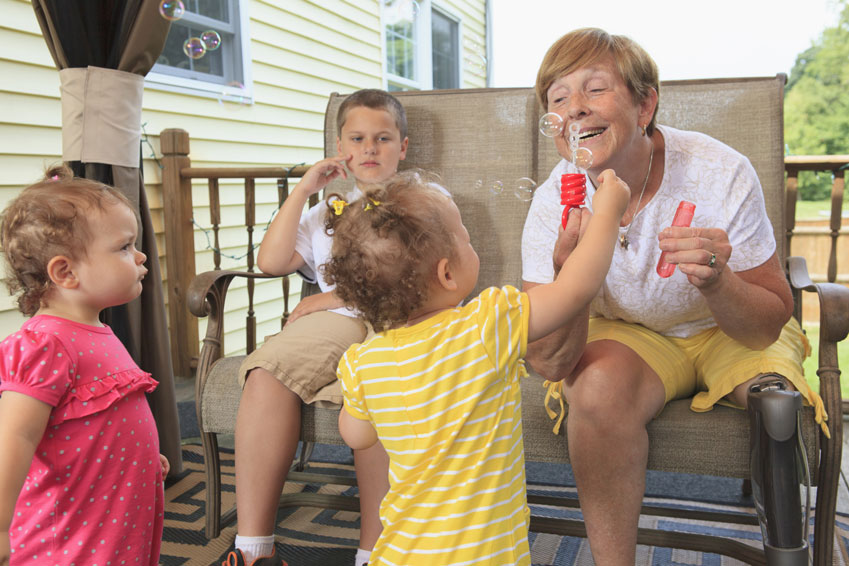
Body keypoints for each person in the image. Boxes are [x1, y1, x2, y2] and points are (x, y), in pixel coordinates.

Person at [521, 28, 826, 566]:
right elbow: (547, 361)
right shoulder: (554, 204)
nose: (575, 110)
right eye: (559, 97)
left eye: (595, 89)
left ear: (645, 104)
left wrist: (719, 281)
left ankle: (789, 557)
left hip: (724, 327)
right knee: (593, 390)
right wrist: (570, 274)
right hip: (631, 334)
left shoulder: (719, 171)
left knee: (776, 403)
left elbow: (764, 325)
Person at [323, 169, 630, 565]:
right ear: (447, 274)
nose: (472, 241)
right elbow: (576, 289)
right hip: (484, 555)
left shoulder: (362, 361)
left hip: (400, 553)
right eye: (466, 237)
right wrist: (607, 212)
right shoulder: (487, 325)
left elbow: (356, 434)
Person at [228, 89, 409, 566]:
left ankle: (373, 553)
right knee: (267, 372)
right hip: (338, 323)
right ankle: (252, 550)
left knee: (378, 390)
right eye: (358, 138)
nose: (370, 148)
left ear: (403, 148)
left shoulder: (421, 199)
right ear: (340, 146)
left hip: (403, 319)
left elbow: (416, 269)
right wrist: (303, 190)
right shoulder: (325, 209)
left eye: (383, 138)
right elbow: (271, 263)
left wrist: (336, 295)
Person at [0, 166, 169, 566]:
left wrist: (143, 456)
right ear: (66, 272)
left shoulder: (96, 330)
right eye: (125, 247)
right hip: (68, 540)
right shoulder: (46, 344)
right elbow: (15, 438)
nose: (141, 256)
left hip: (114, 516)